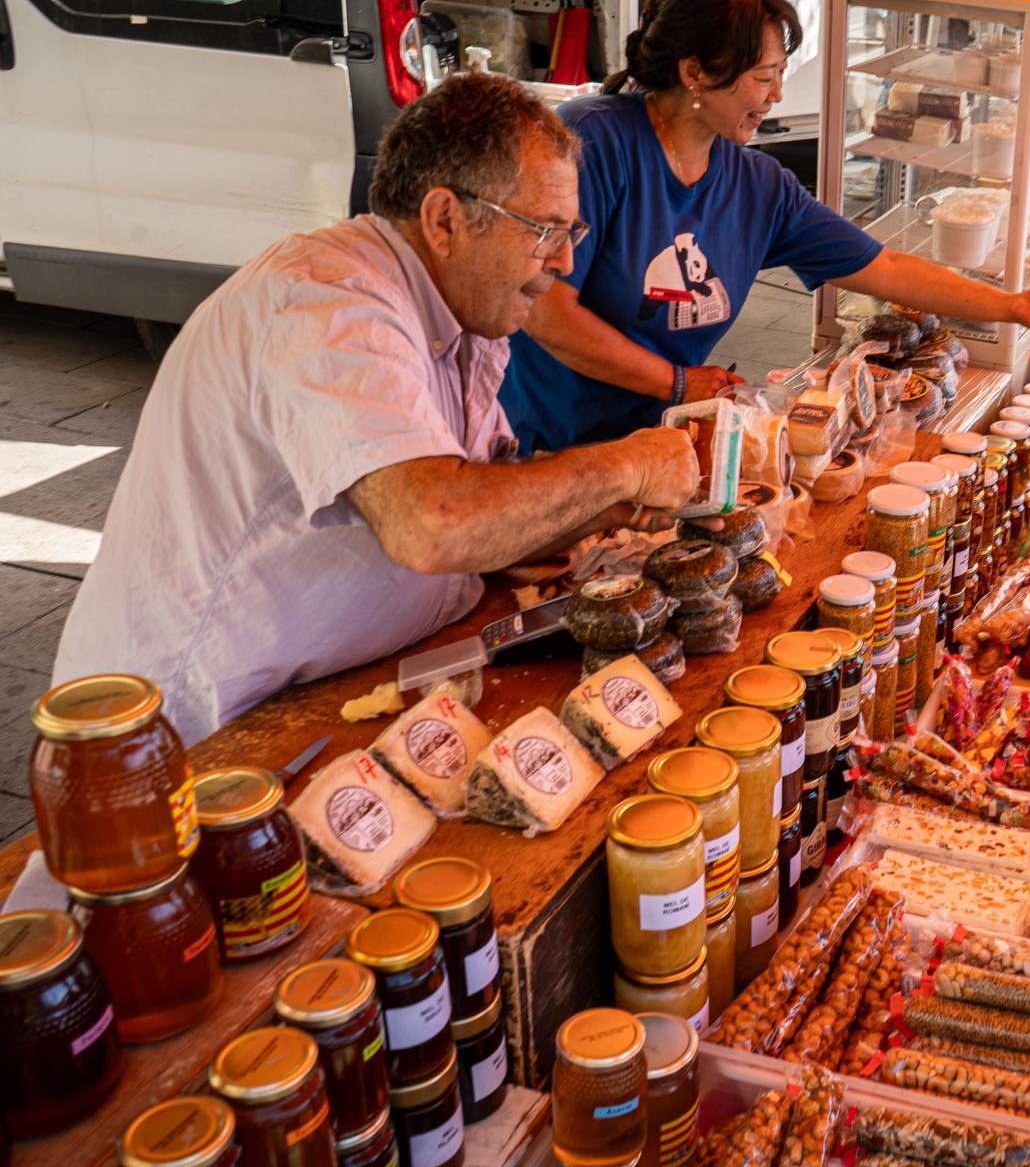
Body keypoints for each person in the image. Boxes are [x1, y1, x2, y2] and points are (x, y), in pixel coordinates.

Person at [52, 72, 701, 742]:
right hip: (194, 731)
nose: (566, 261)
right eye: (544, 230)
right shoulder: (328, 302)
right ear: (444, 220)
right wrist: (624, 466)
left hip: (325, 689)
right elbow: (435, 522)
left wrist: (608, 512)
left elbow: (482, 502)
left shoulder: (465, 312)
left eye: (573, 231)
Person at [500, 0, 1030, 454]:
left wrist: (1013, 305)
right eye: (764, 77)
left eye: (781, 74)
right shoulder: (590, 145)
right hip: (545, 444)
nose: (778, 95)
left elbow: (884, 269)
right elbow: (546, 313)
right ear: (695, 74)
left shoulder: (758, 185)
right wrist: (677, 382)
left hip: (663, 440)